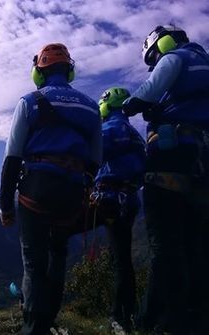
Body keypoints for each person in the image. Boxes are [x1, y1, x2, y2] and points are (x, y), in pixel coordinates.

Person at [0, 43, 102, 335]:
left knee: (34, 263)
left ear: (39, 72)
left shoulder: (29, 102)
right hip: (72, 193)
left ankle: (33, 328)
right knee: (58, 254)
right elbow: (95, 159)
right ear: (69, 70)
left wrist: (6, 205)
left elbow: (12, 158)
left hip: (36, 191)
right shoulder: (92, 107)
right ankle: (48, 319)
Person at [122, 25, 209, 334]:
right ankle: (196, 319)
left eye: (153, 56)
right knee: (197, 242)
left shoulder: (174, 58)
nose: (154, 61)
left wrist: (129, 107)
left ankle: (155, 322)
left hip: (172, 158)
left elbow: (146, 93)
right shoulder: (204, 59)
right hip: (204, 162)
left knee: (166, 244)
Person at [93, 87, 146, 332]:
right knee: (123, 259)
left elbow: (92, 156)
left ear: (106, 104)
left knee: (56, 235)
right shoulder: (136, 134)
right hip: (130, 200)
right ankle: (127, 314)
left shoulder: (109, 129)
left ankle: (119, 318)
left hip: (107, 198)